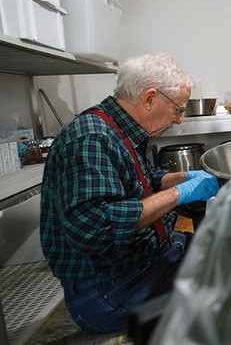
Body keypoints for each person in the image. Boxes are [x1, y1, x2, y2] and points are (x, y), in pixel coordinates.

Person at [40, 53, 219, 333]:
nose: (180, 119)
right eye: (177, 109)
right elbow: (96, 224)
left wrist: (180, 178)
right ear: (149, 98)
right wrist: (179, 194)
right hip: (107, 292)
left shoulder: (118, 129)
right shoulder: (91, 139)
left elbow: (139, 182)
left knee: (225, 251)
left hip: (145, 260)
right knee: (226, 290)